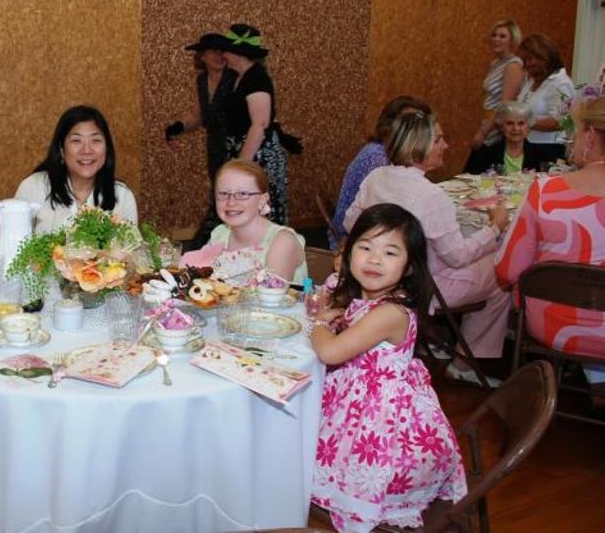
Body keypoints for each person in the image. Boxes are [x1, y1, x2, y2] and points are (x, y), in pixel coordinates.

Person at [310, 204, 467, 532]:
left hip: (384, 428)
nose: (374, 259)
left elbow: (331, 352)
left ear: (409, 267)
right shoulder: (371, 301)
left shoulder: (390, 313)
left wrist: (318, 323)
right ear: (348, 253)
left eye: (390, 252)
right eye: (365, 247)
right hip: (362, 402)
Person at [345, 111, 511, 384]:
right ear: (419, 146)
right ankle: (463, 363)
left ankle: (433, 338)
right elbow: (457, 257)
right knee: (502, 275)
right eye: (438, 140)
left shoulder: (376, 177)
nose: (446, 145)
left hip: (381, 274)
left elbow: (351, 223)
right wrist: (494, 228)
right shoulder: (431, 195)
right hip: (421, 286)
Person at [495, 95, 605, 396]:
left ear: (590, 136)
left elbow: (507, 271)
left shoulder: (545, 193)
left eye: (576, 131)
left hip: (555, 323)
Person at [218, 23, 301, 225]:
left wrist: (241, 166)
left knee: (260, 213)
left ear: (238, 53)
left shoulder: (257, 79)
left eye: (226, 50)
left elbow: (259, 125)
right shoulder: (237, 77)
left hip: (258, 156)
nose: (223, 55)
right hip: (244, 152)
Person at [181, 160, 307, 285]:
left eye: (242, 194)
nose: (231, 202)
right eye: (224, 194)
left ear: (262, 200)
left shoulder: (282, 242)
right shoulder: (220, 233)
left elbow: (273, 295)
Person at [15, 105, 137, 234]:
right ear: (61, 149)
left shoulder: (123, 197)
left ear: (107, 149)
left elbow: (132, 246)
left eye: (96, 140)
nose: (87, 150)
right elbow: (12, 243)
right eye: (76, 141)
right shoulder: (33, 188)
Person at [329, 95, 430, 249]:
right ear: (390, 126)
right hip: (349, 238)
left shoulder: (378, 149)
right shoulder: (378, 158)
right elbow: (385, 216)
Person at [164, 32, 236, 247]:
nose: (219, 56)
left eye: (222, 51)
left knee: (229, 196)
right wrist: (177, 127)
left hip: (236, 146)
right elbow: (198, 116)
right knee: (219, 194)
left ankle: (208, 245)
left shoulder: (235, 78)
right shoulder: (202, 80)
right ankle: (215, 244)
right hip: (215, 146)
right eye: (213, 51)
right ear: (202, 56)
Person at [466, 19, 524, 155]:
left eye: (502, 36)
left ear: (512, 41)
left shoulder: (513, 66)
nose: (496, 39)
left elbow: (504, 105)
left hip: (498, 130)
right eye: (494, 35)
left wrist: (483, 133)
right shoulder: (496, 63)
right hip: (488, 122)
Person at [517, 33, 575, 163]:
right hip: (529, 145)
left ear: (546, 56)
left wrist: (525, 123)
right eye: (525, 60)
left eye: (531, 58)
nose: (528, 63)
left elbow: (560, 122)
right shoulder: (531, 81)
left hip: (551, 149)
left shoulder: (561, 83)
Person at [463, 101, 550, 175]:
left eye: (521, 123)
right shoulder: (486, 153)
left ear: (528, 126)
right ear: (501, 126)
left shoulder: (541, 156)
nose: (516, 128)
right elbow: (468, 180)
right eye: (509, 123)